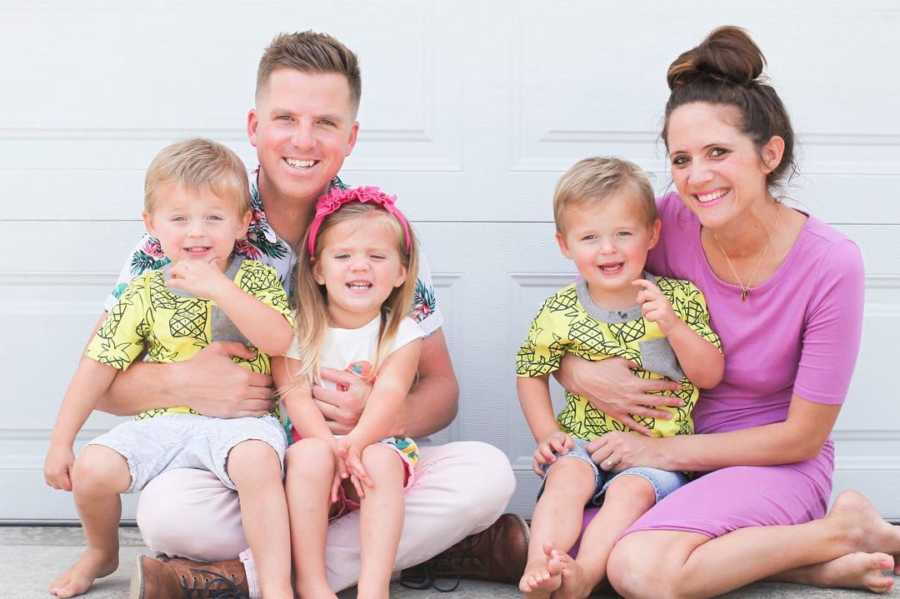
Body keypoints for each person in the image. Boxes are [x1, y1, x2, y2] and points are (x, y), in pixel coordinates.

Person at [90, 32, 522, 598]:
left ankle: (238, 579)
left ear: (351, 136)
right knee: (169, 514)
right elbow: (103, 383)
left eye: (324, 122)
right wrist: (181, 380)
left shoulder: (378, 232)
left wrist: (378, 418)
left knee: (488, 473)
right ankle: (432, 547)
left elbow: (442, 392)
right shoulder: (195, 222)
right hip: (243, 468)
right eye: (285, 118)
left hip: (359, 458)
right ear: (253, 126)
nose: (303, 139)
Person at [549, 26, 900, 598]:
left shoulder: (832, 265)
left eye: (718, 153)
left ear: (769, 154)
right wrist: (578, 373)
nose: (696, 177)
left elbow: (801, 438)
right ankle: (814, 559)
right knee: (568, 541)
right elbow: (583, 315)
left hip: (771, 464)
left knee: (637, 568)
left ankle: (843, 529)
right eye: (681, 159)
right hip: (673, 452)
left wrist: (660, 450)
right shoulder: (666, 224)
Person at [43, 139, 295, 599]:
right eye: (179, 218)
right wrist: (62, 440)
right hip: (165, 422)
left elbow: (280, 340)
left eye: (214, 218)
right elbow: (98, 363)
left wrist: (220, 288)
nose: (196, 232)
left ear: (242, 223)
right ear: (152, 225)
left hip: (241, 425)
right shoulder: (143, 290)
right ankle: (101, 552)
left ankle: (276, 585)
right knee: (93, 471)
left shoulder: (254, 278)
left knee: (258, 463)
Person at [515, 157, 723, 599]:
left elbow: (709, 375)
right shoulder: (559, 312)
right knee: (565, 479)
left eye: (622, 234)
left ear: (652, 234)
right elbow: (531, 372)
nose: (608, 249)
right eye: (590, 237)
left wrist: (673, 326)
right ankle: (540, 563)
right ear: (564, 244)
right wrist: (547, 434)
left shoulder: (678, 298)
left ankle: (584, 575)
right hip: (585, 446)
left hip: (657, 457)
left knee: (629, 492)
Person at [276, 187, 425, 599]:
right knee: (309, 455)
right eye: (343, 256)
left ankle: (373, 587)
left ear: (400, 272)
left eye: (377, 257)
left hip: (371, 442)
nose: (360, 266)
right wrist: (329, 446)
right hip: (313, 442)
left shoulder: (402, 333)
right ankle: (311, 580)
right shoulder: (297, 328)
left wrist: (355, 445)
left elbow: (389, 396)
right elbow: (294, 395)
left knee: (381, 461)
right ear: (318, 269)